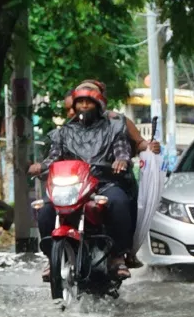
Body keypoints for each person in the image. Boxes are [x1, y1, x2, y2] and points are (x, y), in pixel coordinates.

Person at [30, 84, 137, 279]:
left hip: (104, 183)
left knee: (119, 202)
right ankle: (51, 258)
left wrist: (121, 160)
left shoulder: (114, 128)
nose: (84, 106)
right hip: (73, 185)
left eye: (88, 102)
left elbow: (122, 150)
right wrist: (41, 166)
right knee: (45, 208)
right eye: (80, 102)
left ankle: (117, 257)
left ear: (98, 105)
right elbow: (53, 157)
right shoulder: (64, 132)